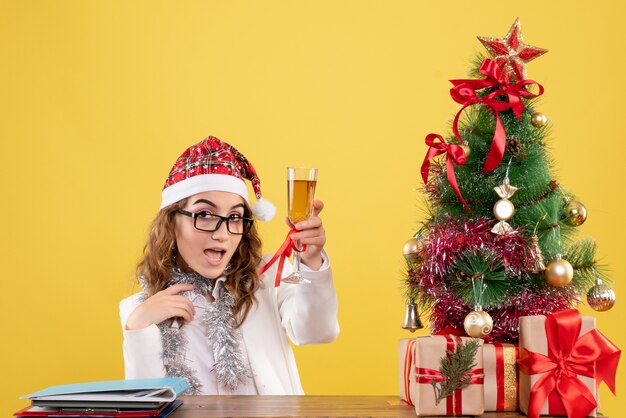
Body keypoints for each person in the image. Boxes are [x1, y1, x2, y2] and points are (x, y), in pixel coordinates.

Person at [119, 136, 339, 395]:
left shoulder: (267, 279)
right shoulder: (139, 308)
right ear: (171, 222)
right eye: (204, 214)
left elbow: (316, 332)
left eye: (234, 217)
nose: (222, 233)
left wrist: (311, 260)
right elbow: (147, 402)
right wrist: (138, 327)